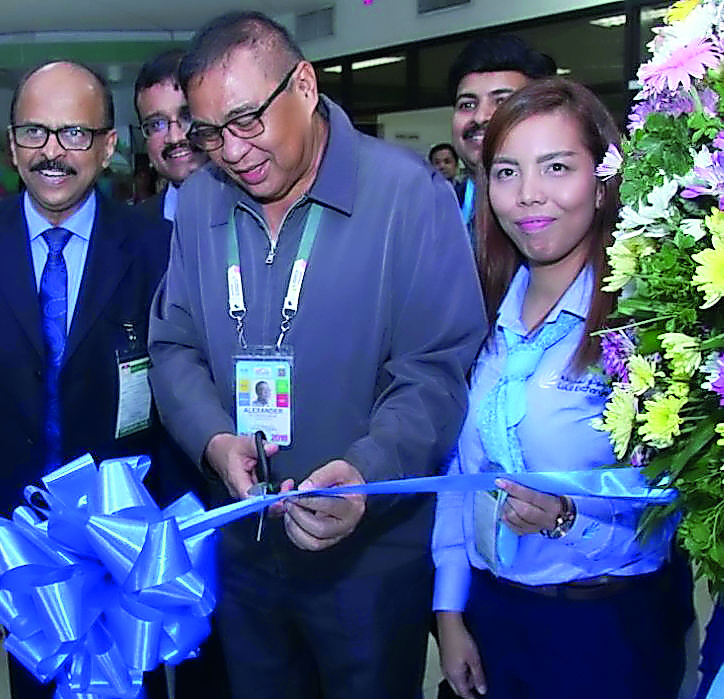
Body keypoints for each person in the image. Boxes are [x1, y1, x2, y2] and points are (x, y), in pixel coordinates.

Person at [148, 11, 486, 699]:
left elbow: (436, 370)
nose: (232, 152)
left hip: (369, 565)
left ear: (303, 83)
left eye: (247, 121)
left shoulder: (408, 198)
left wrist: (366, 472)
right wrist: (214, 438)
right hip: (245, 549)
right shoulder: (200, 203)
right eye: (211, 133)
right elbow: (173, 344)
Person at [0, 60, 173, 699]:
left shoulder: (155, 246)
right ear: (11, 140)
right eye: (34, 131)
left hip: (126, 543)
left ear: (109, 145)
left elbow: (177, 385)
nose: (52, 152)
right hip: (14, 541)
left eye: (75, 134)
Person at [432, 78, 691, 699]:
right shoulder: (481, 310)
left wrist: (565, 520)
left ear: (603, 180)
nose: (528, 197)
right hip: (494, 615)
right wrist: (449, 613)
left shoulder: (649, 324)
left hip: (605, 631)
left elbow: (673, 502)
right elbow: (456, 475)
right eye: (506, 172)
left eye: (556, 168)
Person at [448, 35, 556, 236]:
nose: (481, 117)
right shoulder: (433, 210)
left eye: (502, 102)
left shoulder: (562, 207)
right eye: (468, 104)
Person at [134, 49, 209, 222]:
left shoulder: (261, 213)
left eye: (187, 116)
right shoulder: (132, 231)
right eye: (157, 124)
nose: (175, 137)